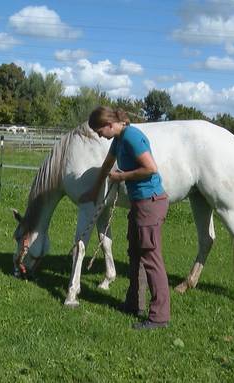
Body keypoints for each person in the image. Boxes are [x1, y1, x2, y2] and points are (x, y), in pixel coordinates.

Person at [80, 106, 170, 330]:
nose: (100, 136)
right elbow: (107, 164)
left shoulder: (132, 137)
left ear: (110, 124)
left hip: (150, 203)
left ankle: (159, 317)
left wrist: (122, 177)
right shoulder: (118, 140)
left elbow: (150, 169)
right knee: (135, 254)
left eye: (100, 131)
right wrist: (94, 189)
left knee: (151, 258)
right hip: (139, 204)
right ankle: (134, 304)